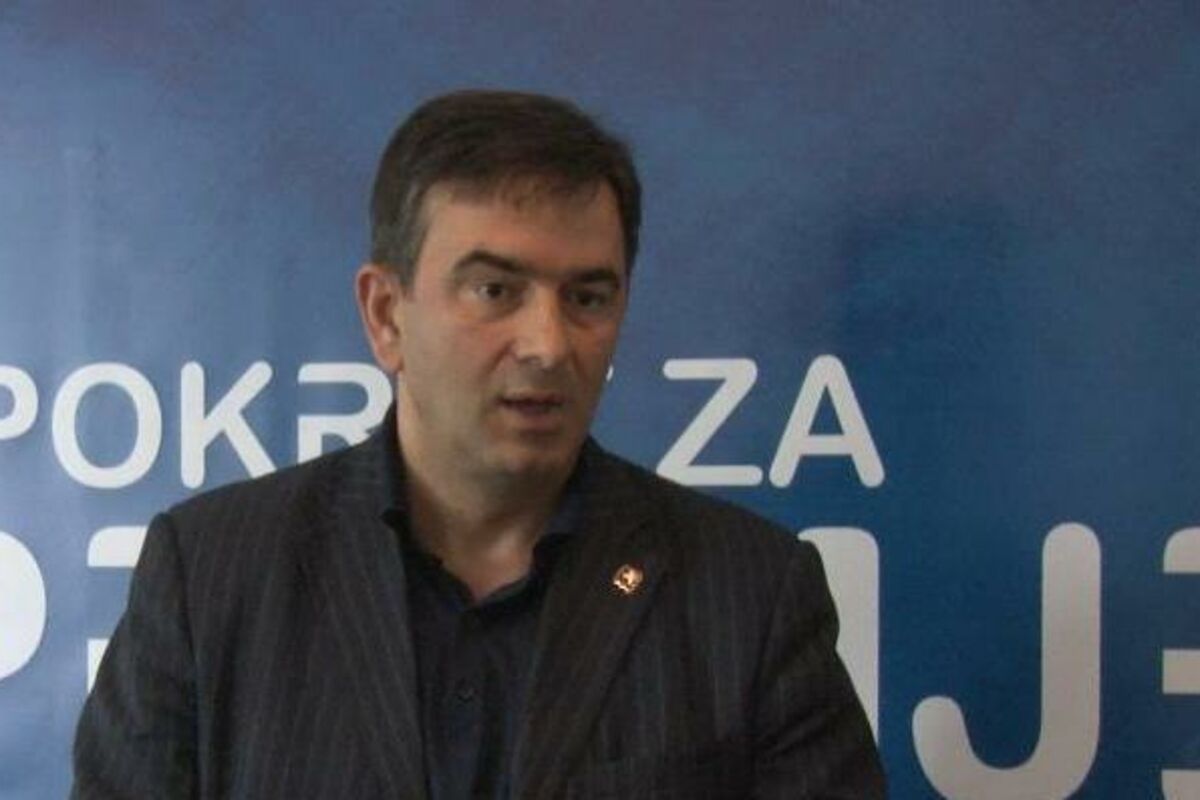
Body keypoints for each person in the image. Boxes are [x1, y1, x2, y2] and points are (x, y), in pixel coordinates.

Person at [72, 90, 885, 799]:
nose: (548, 344)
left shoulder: (750, 595)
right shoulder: (210, 577)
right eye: (496, 290)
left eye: (587, 297)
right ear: (386, 315)